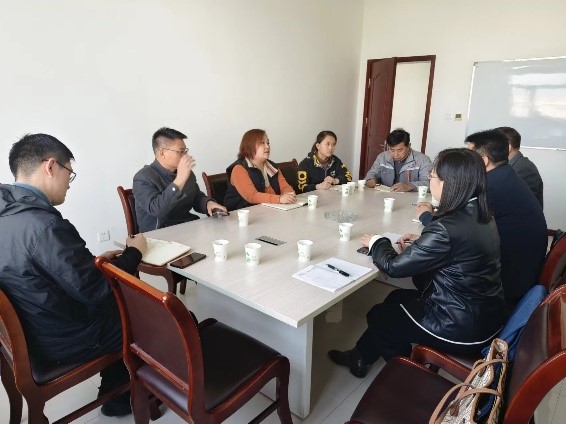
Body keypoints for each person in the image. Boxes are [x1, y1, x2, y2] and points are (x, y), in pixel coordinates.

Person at [0, 133, 147, 416]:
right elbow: (96, 290)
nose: (69, 182)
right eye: (70, 172)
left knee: (123, 302)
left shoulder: (10, 214)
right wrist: (134, 253)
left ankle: (117, 387)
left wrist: (92, 263)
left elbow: (38, 271)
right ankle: (127, 395)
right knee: (145, 311)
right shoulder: (42, 226)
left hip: (33, 330)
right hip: (64, 339)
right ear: (50, 166)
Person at [329, 148, 504, 378]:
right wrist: (424, 243)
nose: (430, 181)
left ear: (448, 183)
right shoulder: (481, 214)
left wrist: (377, 242)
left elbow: (393, 267)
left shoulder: (447, 228)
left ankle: (406, 372)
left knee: (379, 316)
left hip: (458, 326)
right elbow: (457, 251)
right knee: (395, 298)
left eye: (432, 176)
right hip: (484, 314)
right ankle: (360, 358)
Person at [464, 129, 547, 308]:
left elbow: (458, 228)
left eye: (470, 156)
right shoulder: (506, 174)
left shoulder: (491, 187)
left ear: (484, 161)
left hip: (508, 282)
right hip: (522, 269)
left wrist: (426, 216)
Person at [133, 127, 226, 232]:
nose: (185, 156)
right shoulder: (143, 178)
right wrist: (179, 180)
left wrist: (208, 204)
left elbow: (196, 197)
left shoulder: (185, 173)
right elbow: (158, 211)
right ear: (162, 152)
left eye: (185, 151)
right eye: (181, 151)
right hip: (160, 234)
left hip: (188, 228)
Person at [224, 129, 296, 210]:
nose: (267, 146)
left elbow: (285, 187)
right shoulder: (239, 169)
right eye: (262, 143)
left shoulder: (271, 166)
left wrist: (289, 195)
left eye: (268, 143)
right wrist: (279, 199)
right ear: (249, 146)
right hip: (243, 214)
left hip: (268, 211)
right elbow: (252, 196)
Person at [364, 128, 432, 192]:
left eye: (400, 150)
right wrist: (370, 180)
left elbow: (429, 184)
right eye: (392, 150)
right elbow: (371, 174)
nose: (396, 154)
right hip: (385, 197)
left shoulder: (423, 160)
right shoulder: (382, 157)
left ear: (409, 146)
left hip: (410, 198)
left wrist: (410, 186)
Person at [496, 126, 544, 207]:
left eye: (492, 146)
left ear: (508, 147)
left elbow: (507, 201)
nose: (488, 150)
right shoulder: (506, 164)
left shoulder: (524, 168)